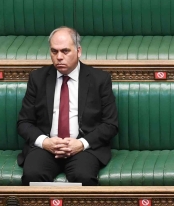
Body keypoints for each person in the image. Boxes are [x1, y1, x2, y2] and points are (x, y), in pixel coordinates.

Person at [17, 27, 119, 186]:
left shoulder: (99, 79)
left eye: (65, 51)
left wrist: (81, 143)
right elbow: (24, 123)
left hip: (84, 147)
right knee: (32, 174)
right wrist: (45, 142)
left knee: (83, 175)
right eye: (54, 51)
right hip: (47, 147)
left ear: (79, 51)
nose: (59, 57)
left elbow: (110, 124)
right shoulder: (38, 78)